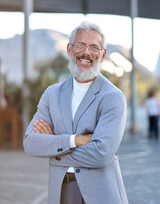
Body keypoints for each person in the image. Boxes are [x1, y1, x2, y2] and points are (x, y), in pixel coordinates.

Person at [23, 21, 129, 204]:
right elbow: (30, 143)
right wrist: (75, 140)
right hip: (61, 192)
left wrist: (54, 145)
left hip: (100, 195)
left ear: (102, 54)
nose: (86, 53)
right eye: (80, 45)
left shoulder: (113, 97)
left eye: (94, 47)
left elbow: (101, 154)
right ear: (69, 50)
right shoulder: (52, 94)